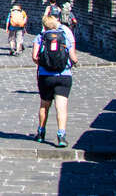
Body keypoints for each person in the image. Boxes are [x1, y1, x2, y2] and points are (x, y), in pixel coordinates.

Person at [32, 13, 78, 148]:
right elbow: (73, 56)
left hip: (46, 76)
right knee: (61, 107)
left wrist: (45, 62)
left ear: (44, 25)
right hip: (64, 76)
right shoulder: (65, 36)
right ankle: (61, 135)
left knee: (44, 105)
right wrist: (74, 62)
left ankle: (41, 133)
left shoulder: (40, 37)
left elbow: (35, 57)